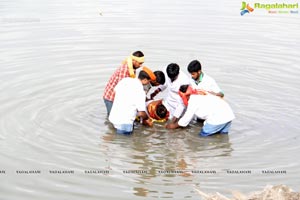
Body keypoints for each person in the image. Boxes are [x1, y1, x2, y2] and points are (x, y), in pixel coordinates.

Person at [166, 85, 235, 136]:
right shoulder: (200, 92)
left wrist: (171, 126)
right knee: (223, 136)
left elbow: (185, 121)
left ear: (186, 96)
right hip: (228, 114)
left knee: (202, 136)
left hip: (218, 118)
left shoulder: (192, 101)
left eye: (181, 97)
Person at [109, 68, 156, 134]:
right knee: (126, 142)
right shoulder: (140, 91)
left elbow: (115, 92)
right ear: (145, 80)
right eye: (149, 82)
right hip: (125, 123)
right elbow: (141, 113)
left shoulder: (125, 80)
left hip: (114, 117)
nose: (149, 84)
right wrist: (148, 119)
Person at [103, 51, 145, 116]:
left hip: (114, 97)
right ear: (134, 61)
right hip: (111, 98)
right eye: (140, 63)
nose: (140, 65)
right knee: (113, 118)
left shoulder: (132, 68)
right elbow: (121, 89)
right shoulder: (125, 70)